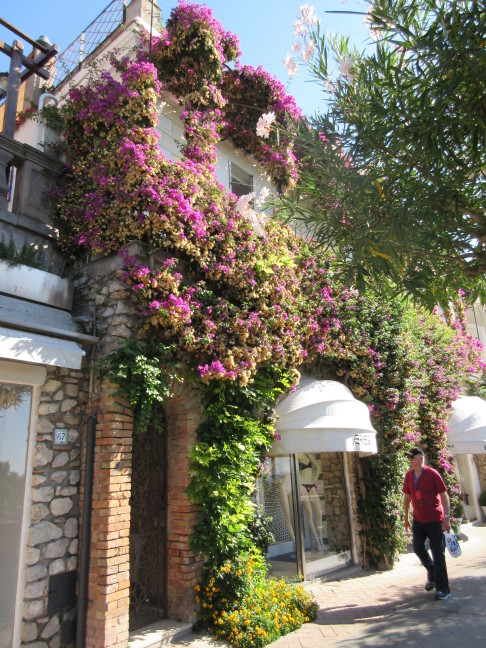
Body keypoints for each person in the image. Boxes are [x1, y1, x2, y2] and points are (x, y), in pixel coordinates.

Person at [403, 447, 452, 600]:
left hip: (435, 520)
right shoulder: (409, 476)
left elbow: (444, 495)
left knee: (438, 554)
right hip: (418, 520)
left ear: (421, 458)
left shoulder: (432, 474)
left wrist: (447, 517)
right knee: (418, 548)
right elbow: (407, 497)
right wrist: (406, 517)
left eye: (413, 456)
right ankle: (432, 571)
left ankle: (443, 589)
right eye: (409, 457)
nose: (410, 459)